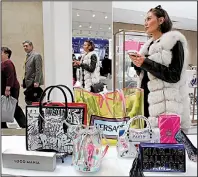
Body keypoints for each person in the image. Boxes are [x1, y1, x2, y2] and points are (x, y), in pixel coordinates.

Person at [129, 5, 191, 129]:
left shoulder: (174, 42)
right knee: (146, 141)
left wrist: (145, 63)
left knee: (164, 143)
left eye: (149, 19)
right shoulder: (147, 46)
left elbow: (174, 75)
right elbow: (145, 74)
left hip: (166, 106)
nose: (145, 23)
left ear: (161, 20)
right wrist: (137, 64)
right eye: (145, 20)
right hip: (146, 101)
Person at [1, 47, 26, 128]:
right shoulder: (3, 63)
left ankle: (24, 124)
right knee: (3, 106)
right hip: (4, 88)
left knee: (14, 106)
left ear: (7, 54)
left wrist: (8, 88)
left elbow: (10, 77)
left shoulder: (8, 63)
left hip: (11, 89)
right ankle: (2, 125)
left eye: (1, 53)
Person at [22, 40, 44, 105]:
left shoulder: (36, 55)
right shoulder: (27, 56)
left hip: (33, 82)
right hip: (28, 82)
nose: (25, 47)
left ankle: (38, 113)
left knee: (33, 100)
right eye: (24, 46)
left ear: (31, 46)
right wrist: (23, 81)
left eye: (26, 46)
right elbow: (27, 70)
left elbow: (38, 70)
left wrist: (37, 81)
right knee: (29, 99)